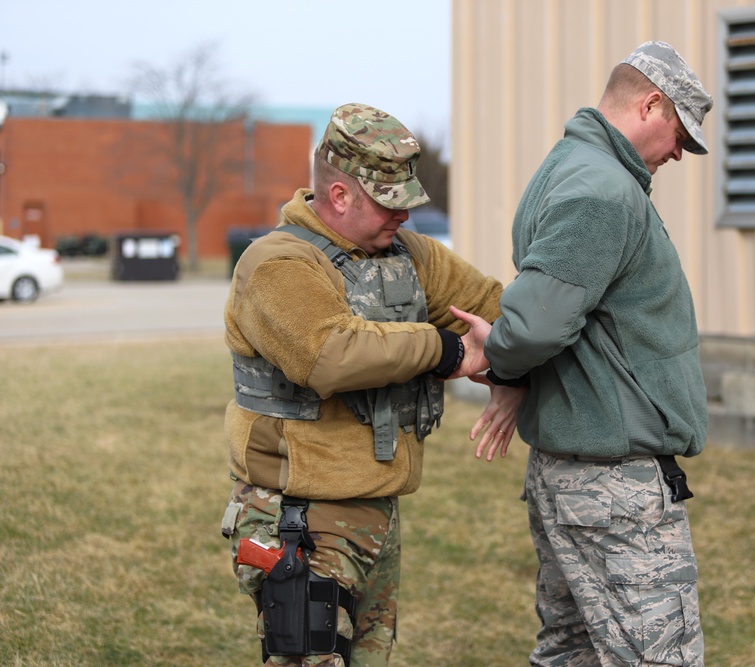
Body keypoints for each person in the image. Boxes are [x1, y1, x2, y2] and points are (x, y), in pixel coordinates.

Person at [218, 102, 510, 666]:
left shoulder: (410, 256)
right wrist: (447, 349)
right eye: (388, 203)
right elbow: (331, 354)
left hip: (376, 510)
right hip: (300, 514)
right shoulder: (276, 265)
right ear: (340, 196)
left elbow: (494, 308)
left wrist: (507, 370)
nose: (403, 216)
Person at [456, 41, 714, 666]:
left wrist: (515, 370)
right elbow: (538, 323)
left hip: (581, 470)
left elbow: (561, 315)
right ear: (651, 104)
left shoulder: (571, 166)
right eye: (681, 131)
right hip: (610, 484)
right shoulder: (603, 190)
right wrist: (504, 361)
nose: (680, 151)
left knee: (572, 653)